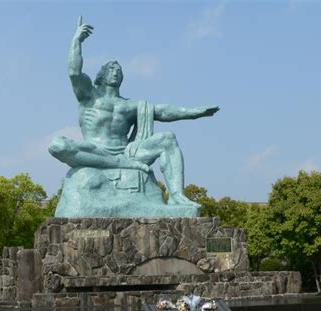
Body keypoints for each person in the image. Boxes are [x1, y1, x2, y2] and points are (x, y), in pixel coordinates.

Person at [49, 17, 219, 207]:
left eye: (119, 70)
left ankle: (177, 196)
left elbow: (163, 111)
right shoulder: (89, 95)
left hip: (127, 153)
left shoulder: (131, 105)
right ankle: (118, 165)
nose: (116, 72)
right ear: (102, 75)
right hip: (95, 150)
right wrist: (76, 41)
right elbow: (74, 72)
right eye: (111, 69)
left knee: (168, 140)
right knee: (57, 145)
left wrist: (193, 112)